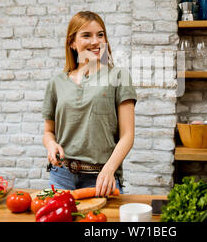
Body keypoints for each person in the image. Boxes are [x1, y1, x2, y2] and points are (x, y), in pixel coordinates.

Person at [42, 11, 137, 197]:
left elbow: (128, 135)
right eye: (87, 35)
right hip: (61, 177)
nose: (96, 41)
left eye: (100, 35)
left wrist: (109, 170)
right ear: (72, 42)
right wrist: (51, 145)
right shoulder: (56, 82)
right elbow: (48, 131)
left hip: (101, 178)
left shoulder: (119, 76)